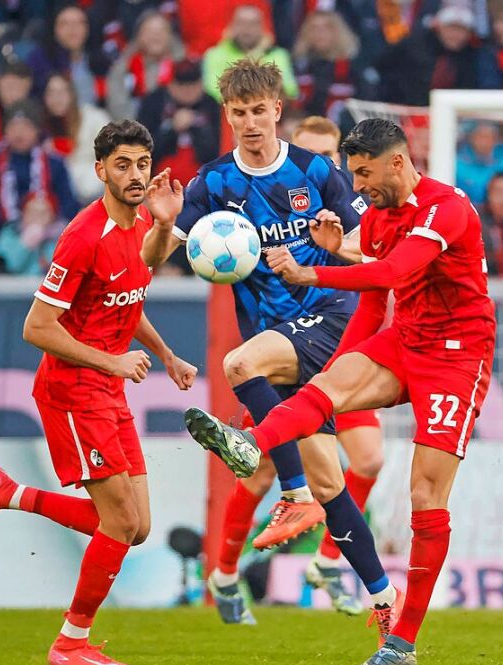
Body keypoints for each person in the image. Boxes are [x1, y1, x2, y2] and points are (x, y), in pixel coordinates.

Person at [183, 118, 496, 665]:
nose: (357, 187)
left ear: (398, 162)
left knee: (425, 495)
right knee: (323, 387)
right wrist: (334, 375)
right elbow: (377, 301)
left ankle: (401, 643)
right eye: (353, 174)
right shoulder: (374, 219)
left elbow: (395, 268)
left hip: (457, 356)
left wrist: (313, 272)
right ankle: (253, 445)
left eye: (364, 173)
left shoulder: (446, 209)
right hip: (407, 338)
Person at [143, 60, 399, 633]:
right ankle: (385, 599)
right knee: (333, 487)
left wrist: (340, 248)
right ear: (227, 116)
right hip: (277, 336)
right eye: (240, 113)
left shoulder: (316, 171)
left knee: (239, 363)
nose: (251, 122)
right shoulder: (211, 183)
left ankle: (289, 492)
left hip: (330, 319)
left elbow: (372, 253)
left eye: (260, 110)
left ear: (277, 110)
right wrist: (162, 225)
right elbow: (153, 261)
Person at [0, 121, 198, 665]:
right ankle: (70, 642)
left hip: (107, 387)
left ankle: (8, 493)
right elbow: (36, 327)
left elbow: (132, 291)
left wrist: (168, 354)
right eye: (123, 165)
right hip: (72, 389)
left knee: (138, 527)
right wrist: (111, 360)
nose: (135, 175)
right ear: (100, 170)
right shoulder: (84, 237)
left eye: (142, 164)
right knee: (121, 522)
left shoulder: (139, 225)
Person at [0, 100, 79, 224]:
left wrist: (49, 209)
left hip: (45, 228)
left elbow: (69, 206)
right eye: (13, 127)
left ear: (37, 130)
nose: (19, 133)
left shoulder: (54, 163)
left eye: (26, 127)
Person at [136, 58, 222, 187]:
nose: (188, 91)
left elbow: (214, 152)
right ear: (170, 84)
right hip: (157, 181)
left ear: (201, 84)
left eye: (193, 84)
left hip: (203, 183)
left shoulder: (210, 104)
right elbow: (142, 151)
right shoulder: (153, 102)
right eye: (181, 85)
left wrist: (196, 127)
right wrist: (172, 129)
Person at [202, 4, 298, 102]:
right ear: (231, 26)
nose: (246, 28)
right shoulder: (214, 55)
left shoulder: (279, 55)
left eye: (253, 24)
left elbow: (290, 91)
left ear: (262, 27)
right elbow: (213, 91)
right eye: (241, 23)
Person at [41, 73, 112, 203]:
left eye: (62, 92)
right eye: (51, 93)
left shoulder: (95, 119)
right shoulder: (41, 128)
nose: (57, 98)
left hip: (96, 191)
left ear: (72, 94)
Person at [105, 10, 184, 121]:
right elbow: (117, 106)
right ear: (138, 36)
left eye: (161, 30)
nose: (156, 35)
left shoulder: (184, 66)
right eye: (149, 31)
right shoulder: (123, 68)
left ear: (170, 36)